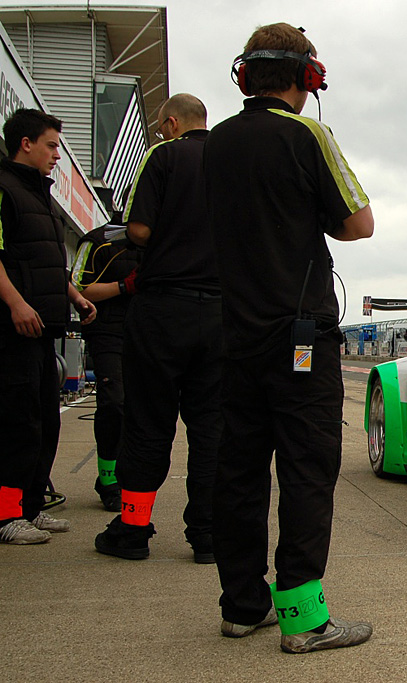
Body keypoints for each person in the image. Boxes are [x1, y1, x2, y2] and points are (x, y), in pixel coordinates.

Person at [204, 23, 374, 653]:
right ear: (309, 78)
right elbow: (359, 223)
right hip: (300, 336)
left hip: (234, 334)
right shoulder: (308, 134)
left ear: (244, 76)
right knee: (307, 468)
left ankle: (242, 606)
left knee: (239, 470)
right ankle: (303, 618)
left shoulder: (214, 143)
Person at [94, 94, 222, 563]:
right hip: (220, 314)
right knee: (212, 427)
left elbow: (139, 229)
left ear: (171, 123)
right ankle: (207, 534)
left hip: (163, 309)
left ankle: (132, 529)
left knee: (148, 421)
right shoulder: (230, 159)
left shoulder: (163, 155)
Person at [0, 108, 96, 545]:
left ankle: (31, 506)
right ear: (26, 143)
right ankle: (6, 516)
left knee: (44, 421)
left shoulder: (39, 194)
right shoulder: (4, 189)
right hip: (11, 329)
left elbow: (47, 261)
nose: (57, 154)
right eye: (52, 145)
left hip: (43, 328)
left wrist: (74, 295)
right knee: (15, 423)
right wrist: (16, 303)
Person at [71, 214, 142, 511]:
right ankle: (108, 478)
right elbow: (77, 287)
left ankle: (131, 477)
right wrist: (125, 286)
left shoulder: (165, 241)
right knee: (114, 402)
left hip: (147, 334)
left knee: (141, 410)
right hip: (108, 333)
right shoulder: (98, 240)